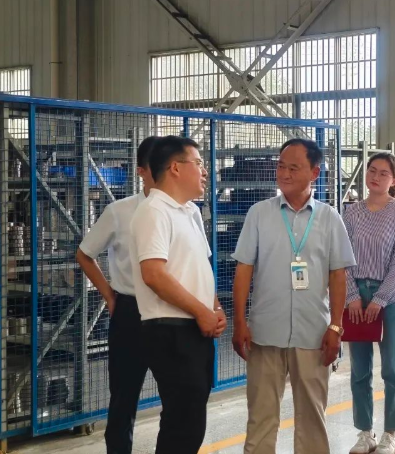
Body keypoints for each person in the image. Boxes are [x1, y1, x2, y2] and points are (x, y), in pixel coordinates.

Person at [231, 138, 356, 454]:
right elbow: (243, 270)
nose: (284, 174)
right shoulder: (259, 214)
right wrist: (240, 322)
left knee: (312, 419)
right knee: (260, 419)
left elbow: (338, 275)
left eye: (293, 168)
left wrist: (336, 326)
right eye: (281, 166)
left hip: (313, 334)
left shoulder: (330, 218)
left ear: (314, 172)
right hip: (265, 332)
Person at [129, 136, 226, 454]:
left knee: (191, 419)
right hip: (171, 329)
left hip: (194, 327)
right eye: (198, 163)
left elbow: (198, 265)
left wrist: (214, 307)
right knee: (182, 423)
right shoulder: (153, 211)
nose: (204, 171)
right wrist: (201, 311)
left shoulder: (189, 212)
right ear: (175, 168)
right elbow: (154, 274)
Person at [76, 136, 158, 454]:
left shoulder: (186, 210)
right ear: (141, 171)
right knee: (124, 398)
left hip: (171, 312)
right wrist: (110, 296)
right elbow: (85, 254)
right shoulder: (119, 211)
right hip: (130, 313)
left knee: (178, 397)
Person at [344, 152, 395, 454]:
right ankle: (365, 433)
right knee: (359, 371)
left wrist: (381, 299)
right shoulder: (351, 213)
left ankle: (391, 433)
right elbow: (343, 257)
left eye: (383, 173)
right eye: (372, 170)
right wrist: (352, 296)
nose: (375, 177)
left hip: (391, 298)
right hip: (356, 298)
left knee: (392, 370)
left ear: (394, 180)